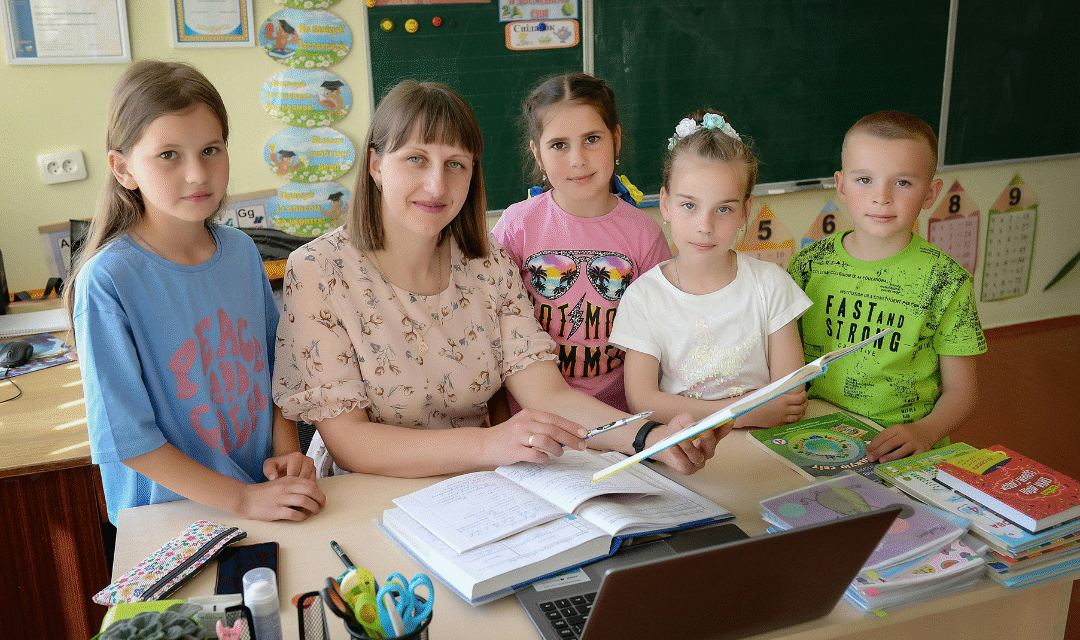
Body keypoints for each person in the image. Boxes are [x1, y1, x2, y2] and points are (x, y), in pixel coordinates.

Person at [273, 80, 719, 478]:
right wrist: (490, 443)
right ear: (375, 164)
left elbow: (547, 393)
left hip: (485, 487)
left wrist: (648, 437)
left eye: (455, 164)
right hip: (374, 495)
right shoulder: (317, 270)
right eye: (416, 159)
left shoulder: (488, 263)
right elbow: (350, 442)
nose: (436, 185)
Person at [67, 60, 325, 525]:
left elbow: (276, 370)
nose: (197, 174)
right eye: (169, 155)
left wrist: (287, 451)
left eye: (210, 150)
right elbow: (129, 439)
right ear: (123, 169)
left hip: (259, 498)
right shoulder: (108, 280)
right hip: (172, 520)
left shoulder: (242, 252)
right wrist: (242, 500)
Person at [787, 110, 986, 463]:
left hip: (903, 448)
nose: (882, 197)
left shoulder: (947, 280)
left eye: (903, 183)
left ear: (930, 193)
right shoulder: (808, 265)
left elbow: (962, 392)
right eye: (864, 179)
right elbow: (785, 369)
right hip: (814, 433)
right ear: (841, 186)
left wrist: (925, 431)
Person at [610, 110, 812, 430]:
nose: (705, 226)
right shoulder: (644, 298)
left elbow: (790, 396)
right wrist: (740, 413)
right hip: (686, 448)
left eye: (724, 209)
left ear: (745, 211)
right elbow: (643, 401)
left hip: (763, 444)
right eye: (689, 205)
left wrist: (734, 413)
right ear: (665, 204)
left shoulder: (771, 285)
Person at [492, 73, 671, 413]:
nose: (577, 159)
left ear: (616, 139)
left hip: (623, 420)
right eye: (559, 145)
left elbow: (664, 340)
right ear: (537, 153)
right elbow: (492, 335)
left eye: (592, 139)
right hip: (535, 421)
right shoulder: (517, 227)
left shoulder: (644, 235)